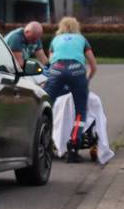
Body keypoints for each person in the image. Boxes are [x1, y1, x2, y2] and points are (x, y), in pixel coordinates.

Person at [42, 17, 98, 163]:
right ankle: (73, 147)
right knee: (81, 111)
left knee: (45, 107)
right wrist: (86, 81)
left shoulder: (56, 40)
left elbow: (50, 62)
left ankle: (44, 142)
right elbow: (93, 65)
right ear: (76, 26)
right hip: (77, 71)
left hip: (57, 70)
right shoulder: (81, 39)